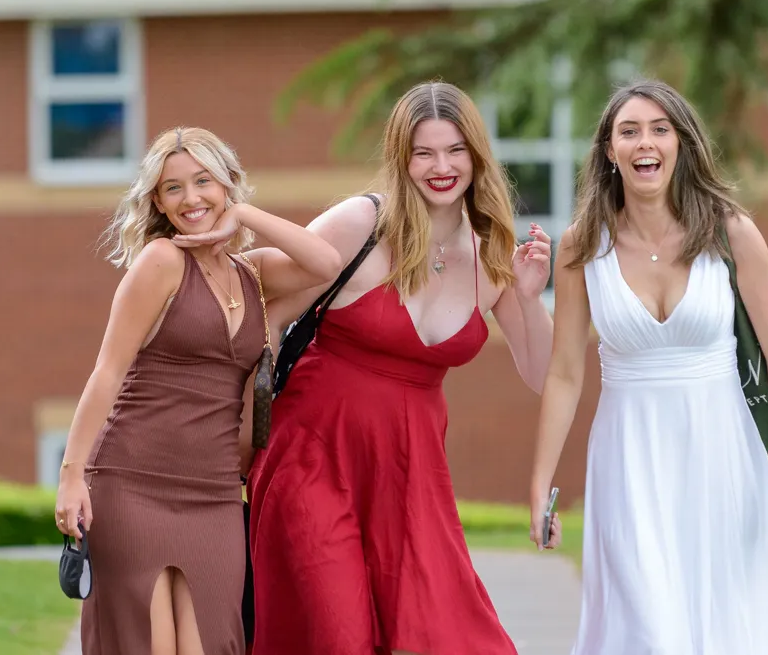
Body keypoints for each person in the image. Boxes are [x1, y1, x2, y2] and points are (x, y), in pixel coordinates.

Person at [238, 81, 559, 655]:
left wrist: (531, 297)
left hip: (412, 479)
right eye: (424, 152)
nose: (442, 167)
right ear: (400, 157)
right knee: (339, 637)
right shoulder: (360, 225)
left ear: (477, 155)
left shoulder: (491, 253)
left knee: (447, 635)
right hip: (313, 458)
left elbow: (541, 372)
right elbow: (260, 302)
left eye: (455, 150)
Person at [529, 79, 768, 655]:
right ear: (609, 150)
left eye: (660, 129)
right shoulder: (582, 245)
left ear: (681, 143)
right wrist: (541, 485)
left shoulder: (731, 231)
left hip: (725, 458)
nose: (646, 143)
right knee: (646, 629)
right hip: (629, 465)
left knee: (734, 622)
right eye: (629, 131)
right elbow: (564, 373)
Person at [53, 126, 343, 655]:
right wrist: (72, 476)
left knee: (214, 642)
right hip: (132, 481)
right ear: (158, 203)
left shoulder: (252, 274)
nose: (191, 199)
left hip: (213, 494)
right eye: (173, 188)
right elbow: (106, 374)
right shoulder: (161, 263)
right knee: (149, 644)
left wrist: (246, 217)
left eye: (203, 181)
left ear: (228, 185)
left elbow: (326, 263)